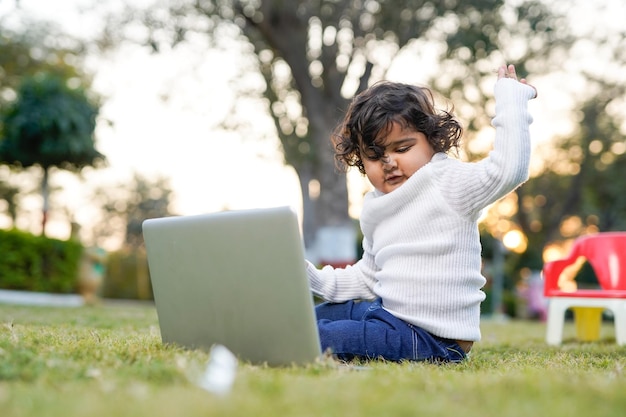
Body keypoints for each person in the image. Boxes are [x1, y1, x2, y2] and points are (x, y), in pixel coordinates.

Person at [306, 64, 537, 362]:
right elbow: (368, 277)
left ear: (432, 141)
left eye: (402, 148)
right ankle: (256, 335)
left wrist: (511, 99)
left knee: (323, 335)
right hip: (388, 317)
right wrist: (308, 276)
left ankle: (279, 345)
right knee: (310, 318)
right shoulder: (377, 205)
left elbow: (509, 169)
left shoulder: (447, 182)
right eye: (374, 156)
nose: (388, 162)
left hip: (433, 339)